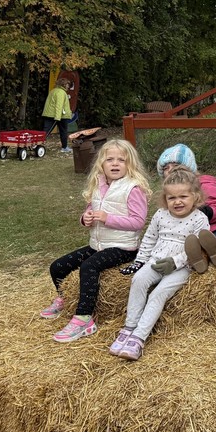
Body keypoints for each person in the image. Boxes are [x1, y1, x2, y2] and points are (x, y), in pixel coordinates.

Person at [39, 139, 152, 343]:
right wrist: (86, 218)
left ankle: (84, 318)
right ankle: (66, 297)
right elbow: (89, 211)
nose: (115, 164)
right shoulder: (98, 185)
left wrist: (108, 218)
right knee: (57, 266)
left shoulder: (133, 189)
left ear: (130, 164)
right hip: (97, 245)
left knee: (89, 267)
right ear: (101, 163)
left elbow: (138, 222)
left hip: (123, 247)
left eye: (121, 160)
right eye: (110, 159)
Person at [109, 168, 213, 361]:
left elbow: (197, 247)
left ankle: (139, 337)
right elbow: (149, 238)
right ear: (165, 199)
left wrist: (175, 262)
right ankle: (129, 327)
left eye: (183, 196)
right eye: (171, 198)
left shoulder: (200, 219)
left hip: (181, 267)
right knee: (138, 280)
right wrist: (141, 260)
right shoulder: (160, 215)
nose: (177, 201)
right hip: (156, 260)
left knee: (159, 293)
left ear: (195, 196)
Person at [156, 143, 216, 250]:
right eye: (166, 168)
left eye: (176, 166)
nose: (170, 170)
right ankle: (197, 256)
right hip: (181, 231)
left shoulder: (204, 182)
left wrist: (204, 211)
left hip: (211, 227)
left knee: (213, 239)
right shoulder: (168, 191)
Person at [41, 77, 74, 153]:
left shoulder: (53, 91)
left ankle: (37, 144)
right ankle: (64, 147)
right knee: (63, 131)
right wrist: (57, 117)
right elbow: (59, 105)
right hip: (60, 116)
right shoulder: (61, 93)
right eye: (67, 84)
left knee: (46, 131)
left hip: (49, 114)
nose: (68, 86)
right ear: (64, 84)